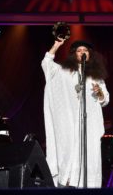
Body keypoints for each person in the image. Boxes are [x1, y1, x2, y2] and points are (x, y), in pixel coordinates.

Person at [41, 37, 109, 188]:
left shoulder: (96, 76)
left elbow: (105, 100)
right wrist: (56, 45)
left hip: (89, 126)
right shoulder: (65, 72)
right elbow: (47, 65)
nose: (82, 53)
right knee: (68, 155)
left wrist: (99, 93)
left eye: (85, 50)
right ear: (74, 54)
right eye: (79, 50)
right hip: (69, 125)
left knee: (89, 157)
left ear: (90, 54)